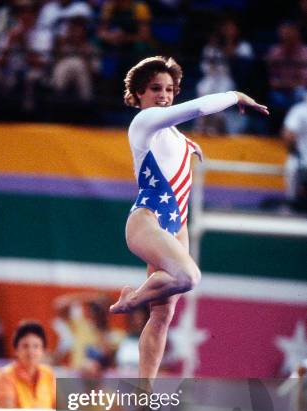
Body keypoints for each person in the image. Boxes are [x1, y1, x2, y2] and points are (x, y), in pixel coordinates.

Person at [109, 56, 268, 381]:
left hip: (176, 225)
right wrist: (235, 96)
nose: (164, 95)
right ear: (139, 93)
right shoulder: (144, 122)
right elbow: (197, 109)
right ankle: (132, 299)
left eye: (169, 89)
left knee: (163, 316)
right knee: (189, 277)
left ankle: (144, 393)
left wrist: (190, 146)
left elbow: (176, 144)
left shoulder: (176, 135)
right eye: (155, 89)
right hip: (147, 220)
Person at [0, 320, 55, 408]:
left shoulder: (48, 374)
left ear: (43, 351)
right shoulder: (6, 375)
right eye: (25, 346)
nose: (31, 352)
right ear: (16, 350)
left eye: (36, 346)